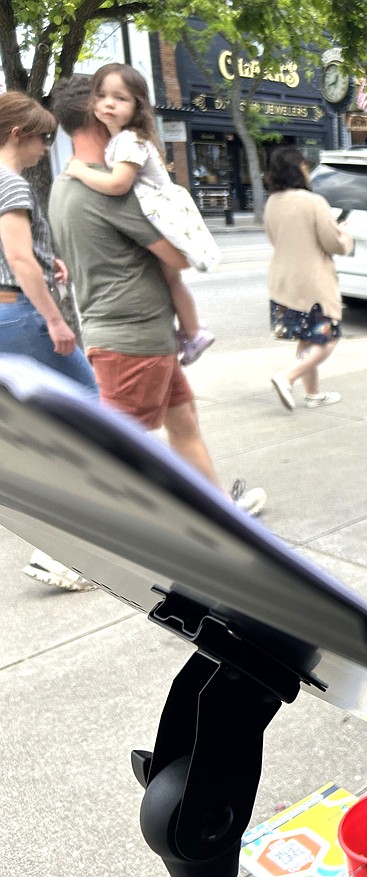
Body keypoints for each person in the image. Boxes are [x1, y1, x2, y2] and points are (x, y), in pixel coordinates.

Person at [47, 74, 266, 517]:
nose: (115, 108)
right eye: (106, 100)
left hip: (133, 336)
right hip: (135, 340)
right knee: (114, 450)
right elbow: (180, 257)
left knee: (183, 423)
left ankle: (222, 511)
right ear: (96, 111)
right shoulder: (111, 189)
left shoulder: (63, 186)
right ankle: (61, 554)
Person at [0, 91, 101, 591]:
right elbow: (18, 261)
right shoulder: (11, 184)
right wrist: (56, 322)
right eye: (42, 138)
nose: (46, 147)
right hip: (21, 314)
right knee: (90, 415)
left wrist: (46, 261)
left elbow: (19, 254)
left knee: (40, 424)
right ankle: (58, 553)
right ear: (17, 133)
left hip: (3, 315)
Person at [64, 63, 217, 367]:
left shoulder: (128, 140)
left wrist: (80, 171)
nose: (109, 103)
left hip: (161, 213)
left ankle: (193, 332)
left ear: (137, 107)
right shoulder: (123, 139)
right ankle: (188, 331)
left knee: (171, 278)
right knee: (168, 278)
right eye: (102, 95)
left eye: (120, 98)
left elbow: (118, 185)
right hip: (159, 210)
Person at [264, 145, 352, 411]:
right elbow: (333, 242)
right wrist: (345, 233)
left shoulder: (272, 202)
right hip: (313, 282)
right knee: (328, 338)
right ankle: (287, 376)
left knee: (307, 338)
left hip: (282, 280)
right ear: (300, 168)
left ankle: (313, 394)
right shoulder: (313, 202)